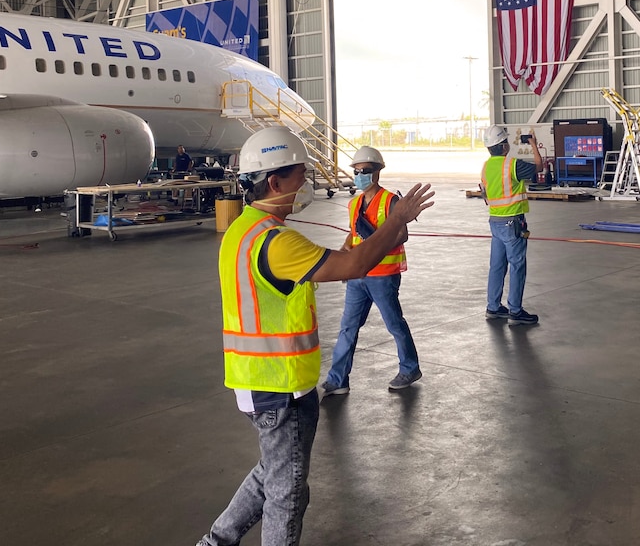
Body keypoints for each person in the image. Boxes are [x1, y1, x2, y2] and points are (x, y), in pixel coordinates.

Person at [195, 126, 434, 546]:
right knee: (287, 495)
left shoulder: (241, 230)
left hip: (260, 380)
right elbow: (353, 264)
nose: (305, 184)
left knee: (275, 472)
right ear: (274, 182)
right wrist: (396, 220)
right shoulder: (277, 242)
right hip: (278, 387)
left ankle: (217, 540)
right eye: (299, 176)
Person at [321, 146, 421, 396]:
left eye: (365, 170)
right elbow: (353, 235)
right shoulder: (354, 204)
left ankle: (410, 368)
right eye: (356, 171)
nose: (360, 175)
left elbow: (402, 234)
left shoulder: (390, 201)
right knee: (348, 326)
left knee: (394, 323)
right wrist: (345, 255)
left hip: (383, 275)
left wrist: (376, 240)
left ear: (377, 173)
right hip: (358, 275)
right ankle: (338, 379)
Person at [480, 125, 542, 326]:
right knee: (517, 266)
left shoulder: (485, 167)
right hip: (512, 222)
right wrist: (533, 143)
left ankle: (494, 306)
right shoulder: (511, 165)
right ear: (504, 146)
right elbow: (539, 166)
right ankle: (515, 310)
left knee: (497, 266)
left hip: (495, 221)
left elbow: (485, 194)